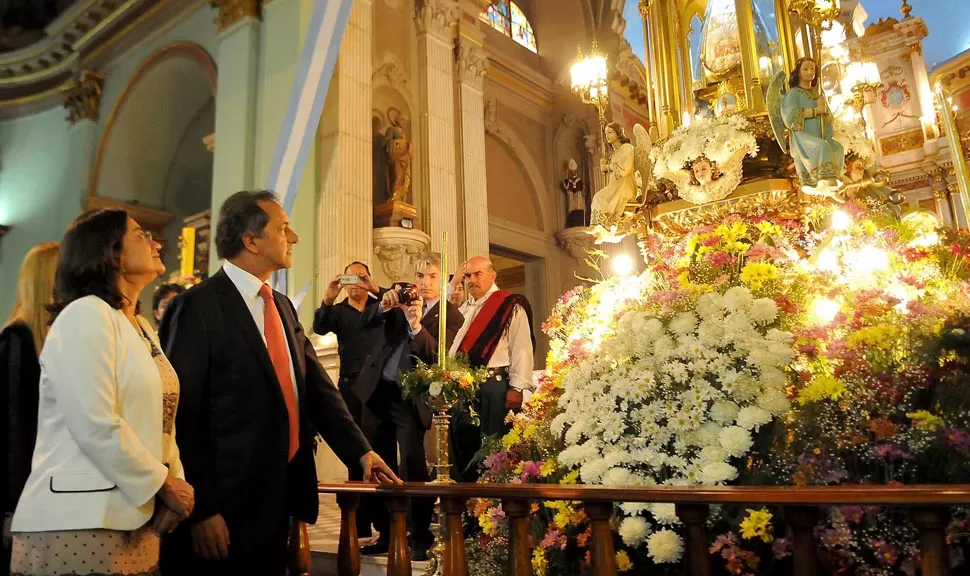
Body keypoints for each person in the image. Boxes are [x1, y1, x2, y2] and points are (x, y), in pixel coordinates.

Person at [159, 190, 398, 575]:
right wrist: (204, 509)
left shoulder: (282, 306)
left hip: (280, 497)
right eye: (284, 228)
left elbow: (318, 390)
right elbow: (184, 416)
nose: (295, 237)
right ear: (250, 240)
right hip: (225, 505)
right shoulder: (196, 308)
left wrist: (361, 452)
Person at [9, 209, 194, 576]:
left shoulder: (139, 325)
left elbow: (161, 417)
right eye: (142, 235)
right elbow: (94, 421)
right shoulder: (85, 315)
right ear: (111, 253)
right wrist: (163, 483)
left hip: (135, 512)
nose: (156, 242)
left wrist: (174, 483)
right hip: (79, 517)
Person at [353, 252, 463, 559]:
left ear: (443, 282)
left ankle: (418, 536)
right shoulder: (399, 296)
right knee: (377, 462)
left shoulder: (451, 316)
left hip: (411, 398)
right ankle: (387, 533)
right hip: (378, 391)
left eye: (431, 277)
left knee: (412, 464)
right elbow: (364, 321)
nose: (423, 283)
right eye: (419, 275)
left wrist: (415, 324)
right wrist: (383, 305)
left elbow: (438, 356)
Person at [312, 261, 390, 539]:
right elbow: (319, 326)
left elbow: (398, 297)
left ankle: (384, 522)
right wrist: (329, 297)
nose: (357, 282)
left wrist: (375, 288)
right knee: (355, 454)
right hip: (350, 388)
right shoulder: (338, 312)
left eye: (362, 277)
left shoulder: (380, 307)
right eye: (352, 277)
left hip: (379, 391)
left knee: (380, 451)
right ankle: (359, 523)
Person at [448, 256, 535, 482]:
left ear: (492, 275)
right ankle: (469, 511)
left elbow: (521, 348)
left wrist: (517, 387)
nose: (472, 280)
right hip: (464, 390)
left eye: (478, 274)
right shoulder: (464, 308)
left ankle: (493, 509)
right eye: (467, 275)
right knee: (464, 451)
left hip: (494, 388)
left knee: (492, 452)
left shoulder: (509, 305)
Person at [1, 241, 59, 570]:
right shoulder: (18, 338)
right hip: (23, 493)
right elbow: (13, 428)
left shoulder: (52, 337)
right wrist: (12, 506)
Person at [782, 57, 846, 194]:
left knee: (838, 149)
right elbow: (791, 116)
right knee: (821, 146)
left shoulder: (817, 94)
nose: (810, 72)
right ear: (798, 72)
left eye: (812, 69)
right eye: (805, 69)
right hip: (802, 135)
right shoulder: (793, 94)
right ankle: (823, 179)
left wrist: (826, 113)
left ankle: (832, 178)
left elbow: (828, 119)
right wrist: (815, 111)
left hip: (818, 133)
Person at [590, 122, 636, 229]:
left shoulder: (627, 148)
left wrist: (607, 167)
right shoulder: (614, 153)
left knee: (598, 197)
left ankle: (604, 226)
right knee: (599, 197)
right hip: (615, 186)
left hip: (625, 185)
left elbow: (624, 169)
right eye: (605, 134)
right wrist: (604, 165)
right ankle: (602, 226)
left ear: (618, 133)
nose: (607, 136)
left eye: (610, 132)